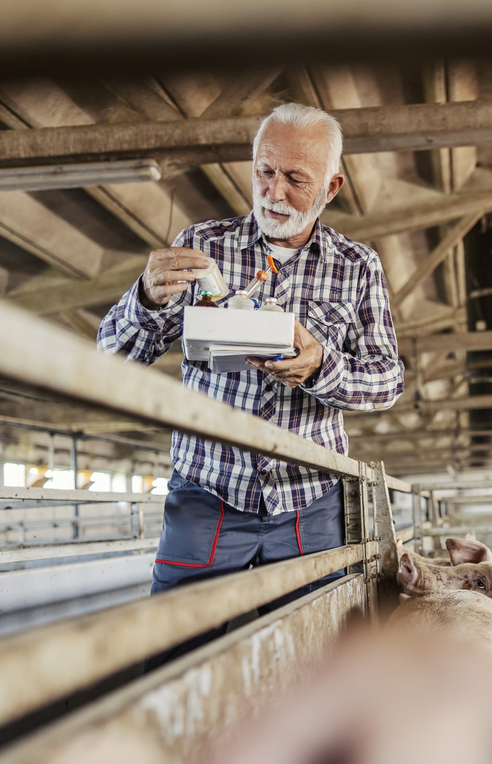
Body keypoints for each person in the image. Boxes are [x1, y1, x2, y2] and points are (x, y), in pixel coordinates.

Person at [97, 102, 404, 643]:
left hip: (310, 499)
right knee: (178, 651)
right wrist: (144, 298)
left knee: (317, 654)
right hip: (207, 490)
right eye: (264, 171)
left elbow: (387, 380)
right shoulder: (202, 247)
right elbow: (113, 359)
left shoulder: (358, 267)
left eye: (295, 179)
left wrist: (321, 368)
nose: (274, 192)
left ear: (331, 189)